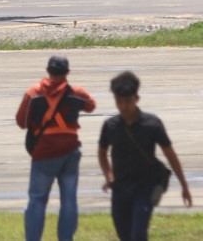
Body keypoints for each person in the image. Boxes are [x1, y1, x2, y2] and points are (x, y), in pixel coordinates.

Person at [98, 71, 192, 240]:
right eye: (119, 102)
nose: (123, 106)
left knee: (138, 234)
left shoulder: (152, 124)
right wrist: (108, 174)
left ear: (137, 99)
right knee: (124, 235)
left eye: (128, 101)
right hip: (120, 188)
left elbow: (170, 155)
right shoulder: (110, 126)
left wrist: (184, 186)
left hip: (145, 187)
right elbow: (102, 152)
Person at [15, 55, 96, 241]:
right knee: (68, 199)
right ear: (67, 72)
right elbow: (91, 105)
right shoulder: (75, 92)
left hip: (44, 153)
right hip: (70, 151)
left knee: (37, 199)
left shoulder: (34, 93)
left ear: (48, 71)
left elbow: (21, 121)